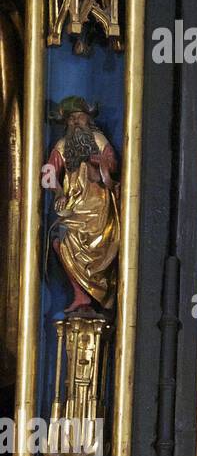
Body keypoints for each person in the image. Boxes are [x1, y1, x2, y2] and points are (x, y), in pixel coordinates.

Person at [45, 97, 119, 315]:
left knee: (102, 246)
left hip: (99, 209)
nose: (76, 121)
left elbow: (113, 164)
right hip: (74, 208)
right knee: (59, 240)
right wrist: (59, 191)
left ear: (88, 119)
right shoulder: (62, 146)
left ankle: (101, 289)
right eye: (71, 118)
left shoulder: (98, 140)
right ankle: (80, 293)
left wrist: (99, 162)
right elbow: (48, 174)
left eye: (80, 116)